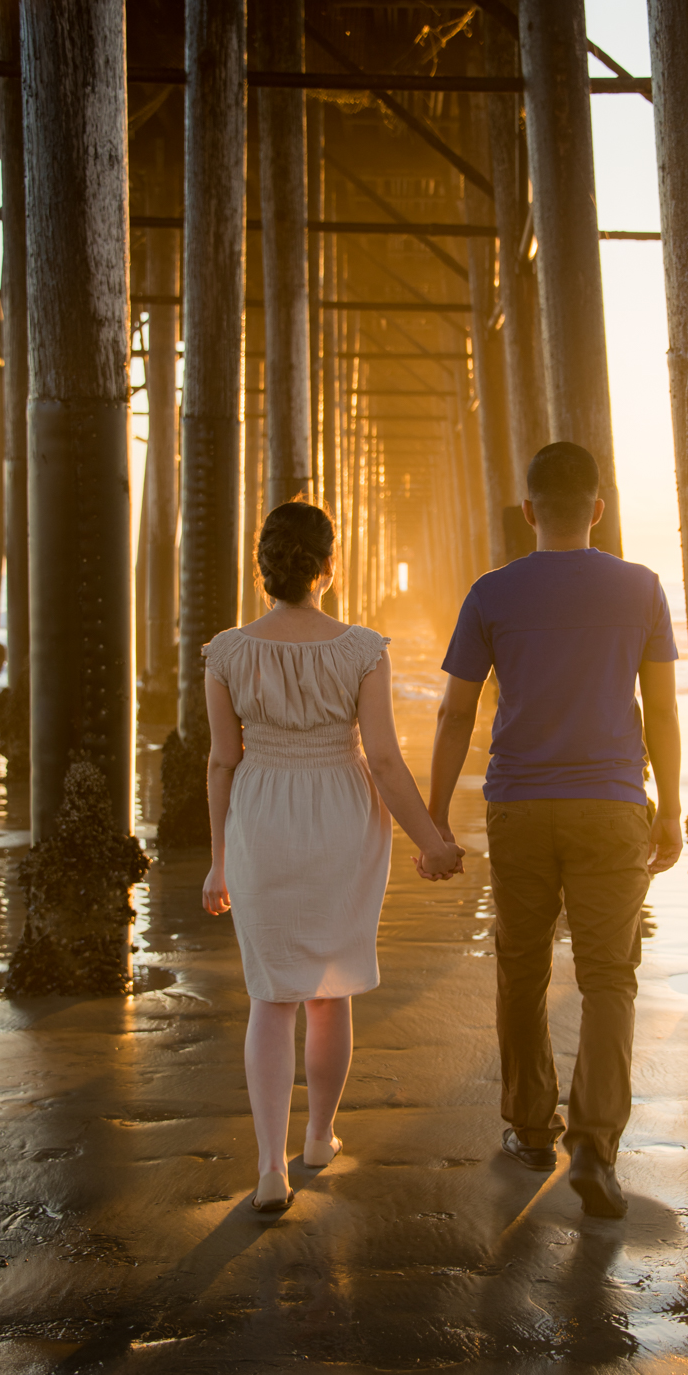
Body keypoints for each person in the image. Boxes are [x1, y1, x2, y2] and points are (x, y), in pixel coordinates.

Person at [425, 442, 682, 1218]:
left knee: (522, 966)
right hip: (610, 806)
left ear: (529, 510)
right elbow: (664, 709)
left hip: (520, 808)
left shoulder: (491, 592)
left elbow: (454, 711)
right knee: (609, 977)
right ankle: (596, 1145)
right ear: (597, 509)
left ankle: (532, 1130)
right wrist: (669, 807)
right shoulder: (640, 587)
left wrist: (435, 816)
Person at [202, 500, 463, 1214]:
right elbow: (382, 758)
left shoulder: (226, 652)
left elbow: (223, 763)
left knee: (270, 997)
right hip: (343, 816)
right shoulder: (361, 650)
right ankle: (317, 1137)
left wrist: (218, 862)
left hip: (261, 816)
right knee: (326, 991)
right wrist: (431, 842)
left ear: (264, 569)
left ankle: (267, 1169)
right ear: (329, 565)